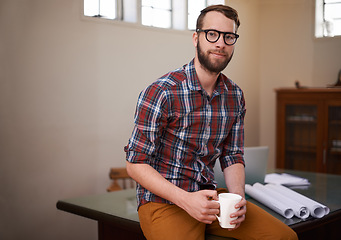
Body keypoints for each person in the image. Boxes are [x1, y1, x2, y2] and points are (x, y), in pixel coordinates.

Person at [124, 4, 298, 240]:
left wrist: (237, 199)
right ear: (196, 38)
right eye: (212, 34)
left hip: (210, 197)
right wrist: (186, 200)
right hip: (163, 201)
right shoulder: (161, 92)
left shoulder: (235, 96)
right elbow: (135, 163)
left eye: (229, 37)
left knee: (285, 237)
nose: (220, 43)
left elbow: (232, 155)